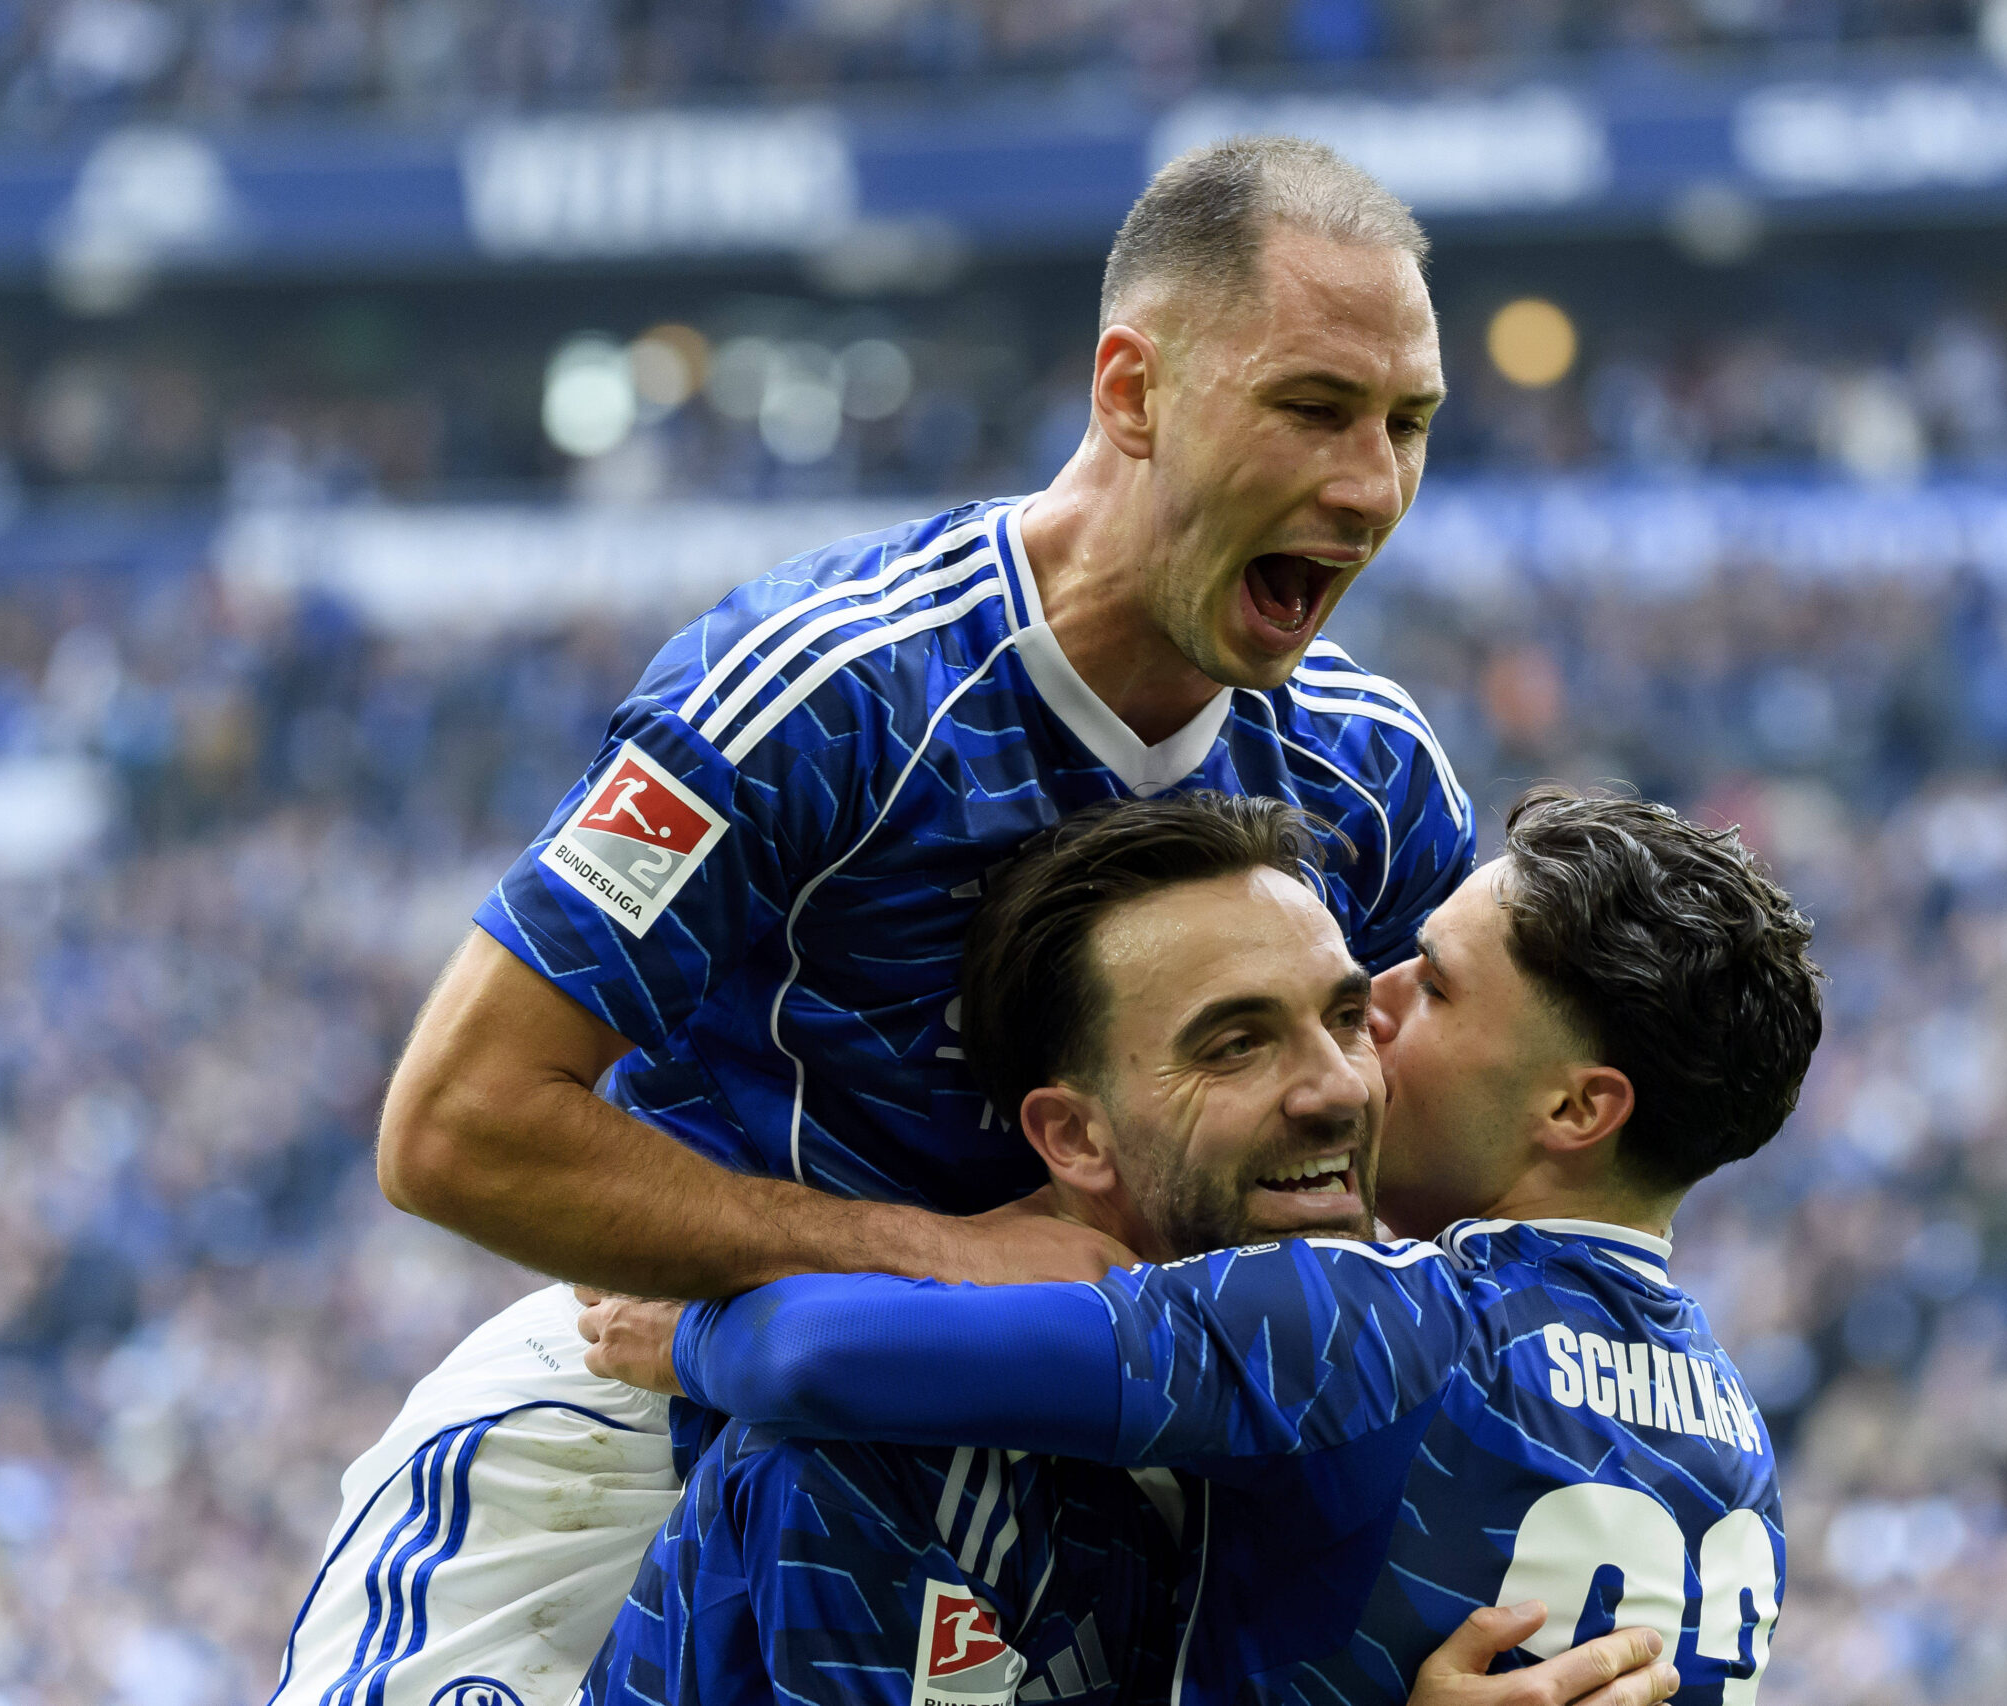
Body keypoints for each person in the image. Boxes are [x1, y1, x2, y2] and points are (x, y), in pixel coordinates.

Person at [270, 136, 1472, 1706]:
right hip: (664, 1427)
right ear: (1132, 391)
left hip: (1101, 1483)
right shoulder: (827, 690)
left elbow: (1466, 1210)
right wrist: (926, 1257)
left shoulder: (1372, 778)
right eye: (1313, 408)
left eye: (1409, 426)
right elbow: (458, 1125)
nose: (1370, 484)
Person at [577, 786, 1822, 1705]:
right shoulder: (1735, 1445)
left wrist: (686, 1325)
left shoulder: (1375, 1318)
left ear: (1575, 1108)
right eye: (1242, 1038)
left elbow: (812, 1358)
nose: (1375, 1018)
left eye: (1430, 989)